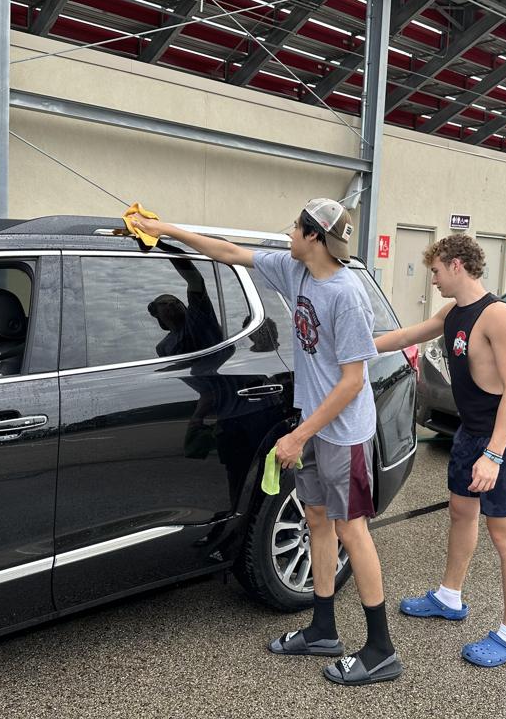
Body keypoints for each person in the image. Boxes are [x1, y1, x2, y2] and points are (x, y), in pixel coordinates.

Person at [132, 198, 402, 686]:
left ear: (315, 237)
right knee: (317, 519)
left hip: (341, 432)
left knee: (351, 531)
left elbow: (352, 382)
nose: (288, 232)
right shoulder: (294, 270)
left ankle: (381, 649)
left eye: (296, 227)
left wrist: (299, 435)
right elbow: (228, 253)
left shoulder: (346, 295)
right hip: (314, 424)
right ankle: (323, 628)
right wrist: (161, 227)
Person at [373, 233, 506, 668]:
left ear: (457, 265)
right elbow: (408, 334)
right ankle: (449, 597)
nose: (433, 280)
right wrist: (354, 348)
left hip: (505, 439)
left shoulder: (499, 316)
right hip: (470, 434)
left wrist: (495, 454)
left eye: (435, 271)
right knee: (461, 513)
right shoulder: (453, 313)